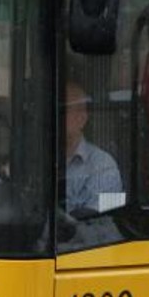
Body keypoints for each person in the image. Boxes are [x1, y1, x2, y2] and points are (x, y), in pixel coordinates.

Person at [62, 81, 122, 217]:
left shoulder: (104, 166)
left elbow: (101, 221)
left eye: (63, 111)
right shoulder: (36, 161)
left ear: (82, 119)